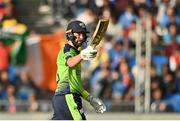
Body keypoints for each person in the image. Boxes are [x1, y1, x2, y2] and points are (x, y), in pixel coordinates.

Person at [51, 20, 106, 120]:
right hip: (67, 97)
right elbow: (70, 62)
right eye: (78, 34)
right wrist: (82, 55)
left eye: (83, 35)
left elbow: (76, 86)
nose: (81, 37)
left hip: (67, 97)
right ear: (70, 34)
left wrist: (90, 98)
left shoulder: (76, 55)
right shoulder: (67, 50)